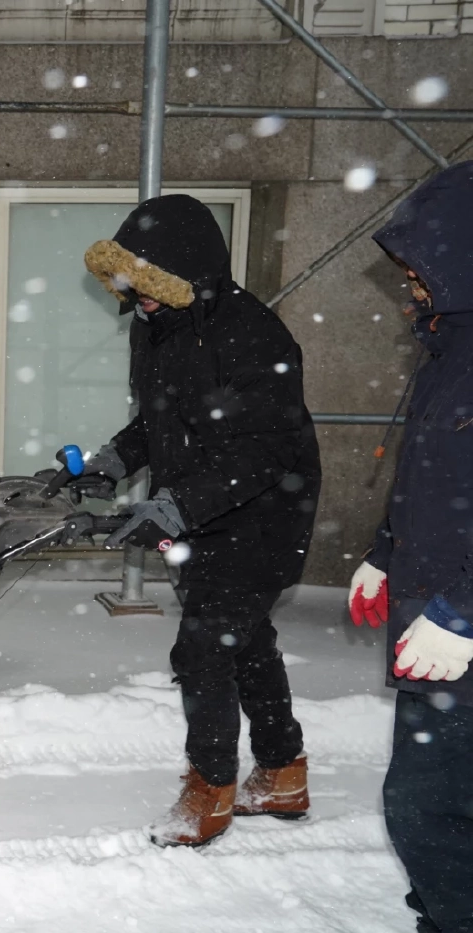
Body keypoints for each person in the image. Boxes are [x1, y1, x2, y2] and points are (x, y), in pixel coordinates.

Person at [73, 193, 323, 847]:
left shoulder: (253, 333)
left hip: (261, 512)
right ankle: (283, 770)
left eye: (146, 284)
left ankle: (209, 791)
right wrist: (109, 463)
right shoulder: (156, 327)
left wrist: (178, 505)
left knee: (205, 647)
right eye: (128, 285)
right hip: (193, 510)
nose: (135, 298)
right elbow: (160, 422)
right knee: (248, 642)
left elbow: (265, 449)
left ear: (185, 272)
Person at [347, 161, 473, 933]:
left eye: (420, 268)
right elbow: (431, 475)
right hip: (433, 613)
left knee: (424, 807)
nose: (411, 285)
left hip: (457, 623)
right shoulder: (448, 351)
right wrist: (386, 550)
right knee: (438, 809)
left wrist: (465, 612)